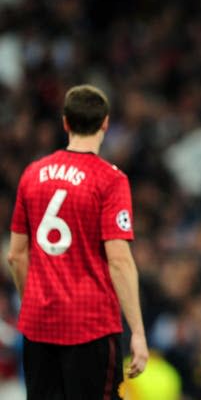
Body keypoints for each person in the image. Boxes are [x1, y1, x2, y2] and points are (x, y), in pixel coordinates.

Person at [7, 84, 148, 399]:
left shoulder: (32, 174)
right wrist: (138, 331)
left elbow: (16, 256)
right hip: (90, 325)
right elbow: (119, 259)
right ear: (105, 124)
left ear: (65, 123)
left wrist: (33, 303)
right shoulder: (110, 180)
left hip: (38, 325)